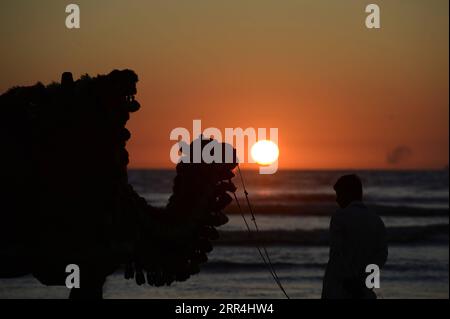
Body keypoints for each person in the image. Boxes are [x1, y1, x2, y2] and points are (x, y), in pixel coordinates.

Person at [322, 174, 388, 299]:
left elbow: (338, 253)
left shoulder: (340, 217)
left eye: (339, 194)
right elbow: (381, 256)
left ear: (348, 194)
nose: (337, 200)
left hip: (339, 290)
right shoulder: (376, 220)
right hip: (364, 290)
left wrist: (350, 281)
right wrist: (364, 281)